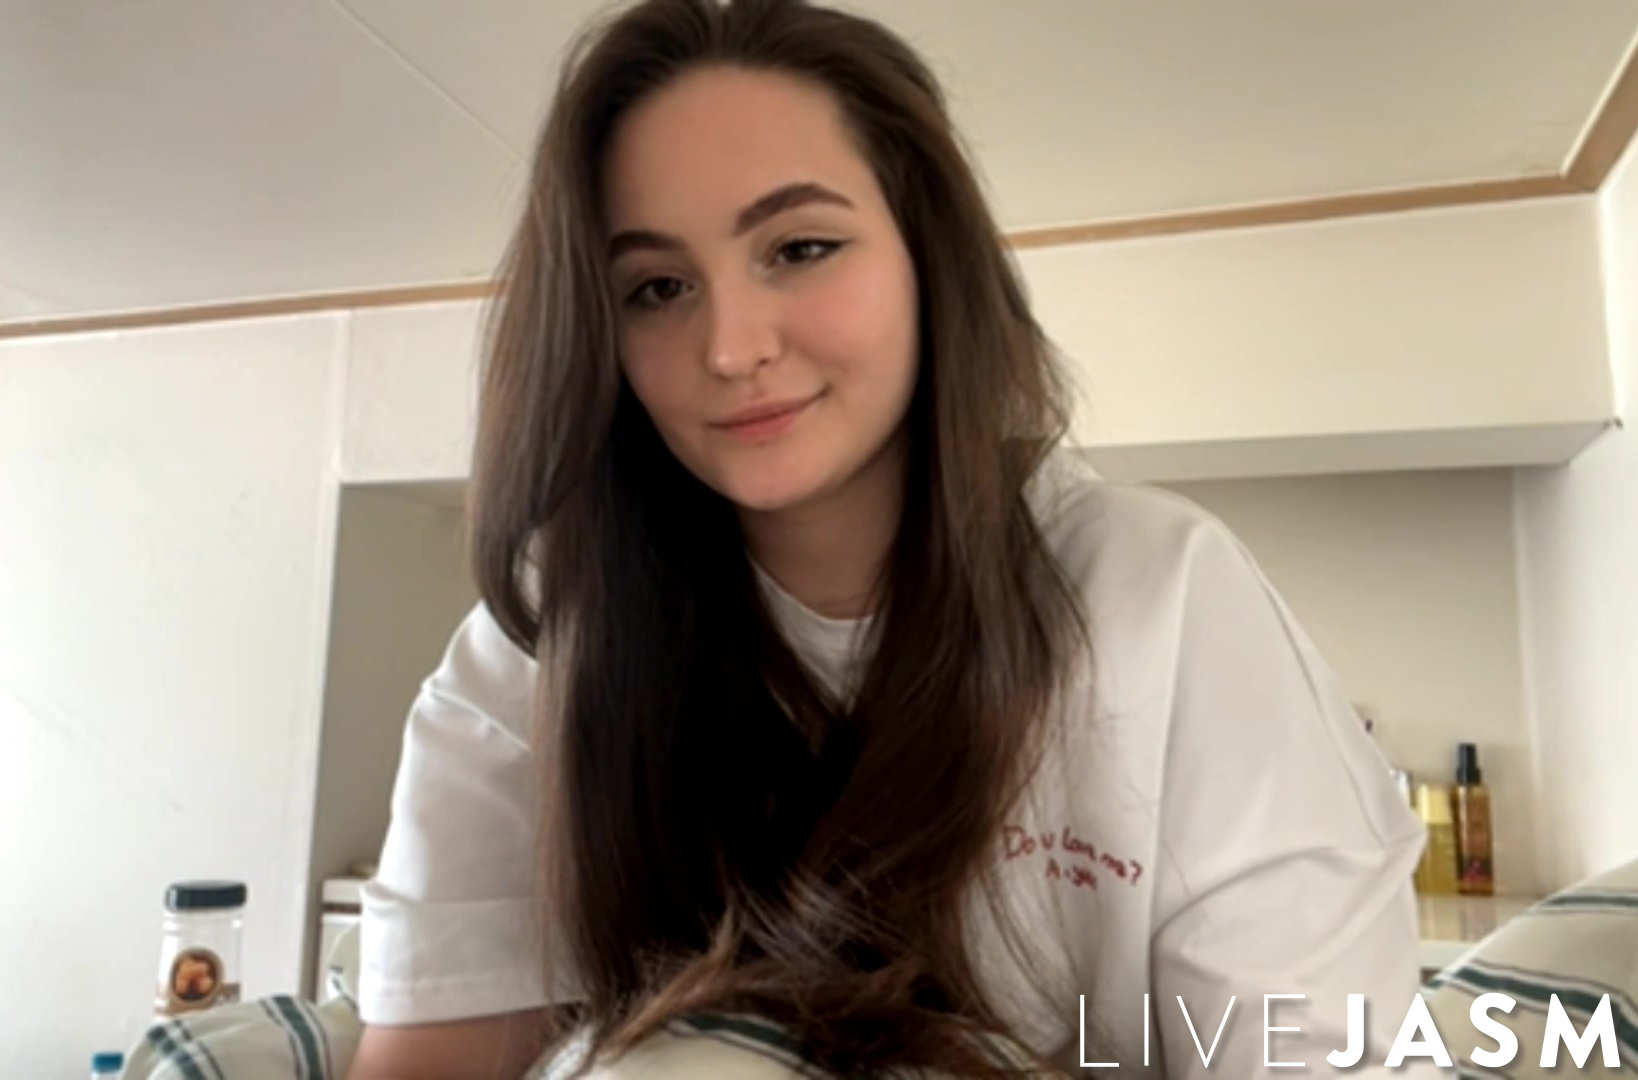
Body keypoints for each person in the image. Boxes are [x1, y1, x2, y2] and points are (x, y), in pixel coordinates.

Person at [350, 0, 1429, 1076]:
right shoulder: (545, 641)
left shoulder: (1159, 596)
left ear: (929, 256)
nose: (730, 348)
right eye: (658, 288)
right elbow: (434, 1055)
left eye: (800, 248)